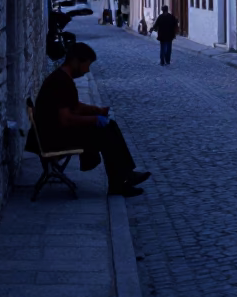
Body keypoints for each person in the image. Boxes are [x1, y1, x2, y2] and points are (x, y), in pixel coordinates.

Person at [30, 42, 151, 197]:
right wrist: (94, 120)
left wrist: (97, 111)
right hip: (53, 138)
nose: (87, 71)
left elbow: (73, 106)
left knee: (109, 126)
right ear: (75, 61)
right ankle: (120, 181)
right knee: (105, 133)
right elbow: (65, 119)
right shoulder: (60, 81)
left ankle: (125, 175)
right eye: (86, 65)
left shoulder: (62, 78)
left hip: (52, 132)